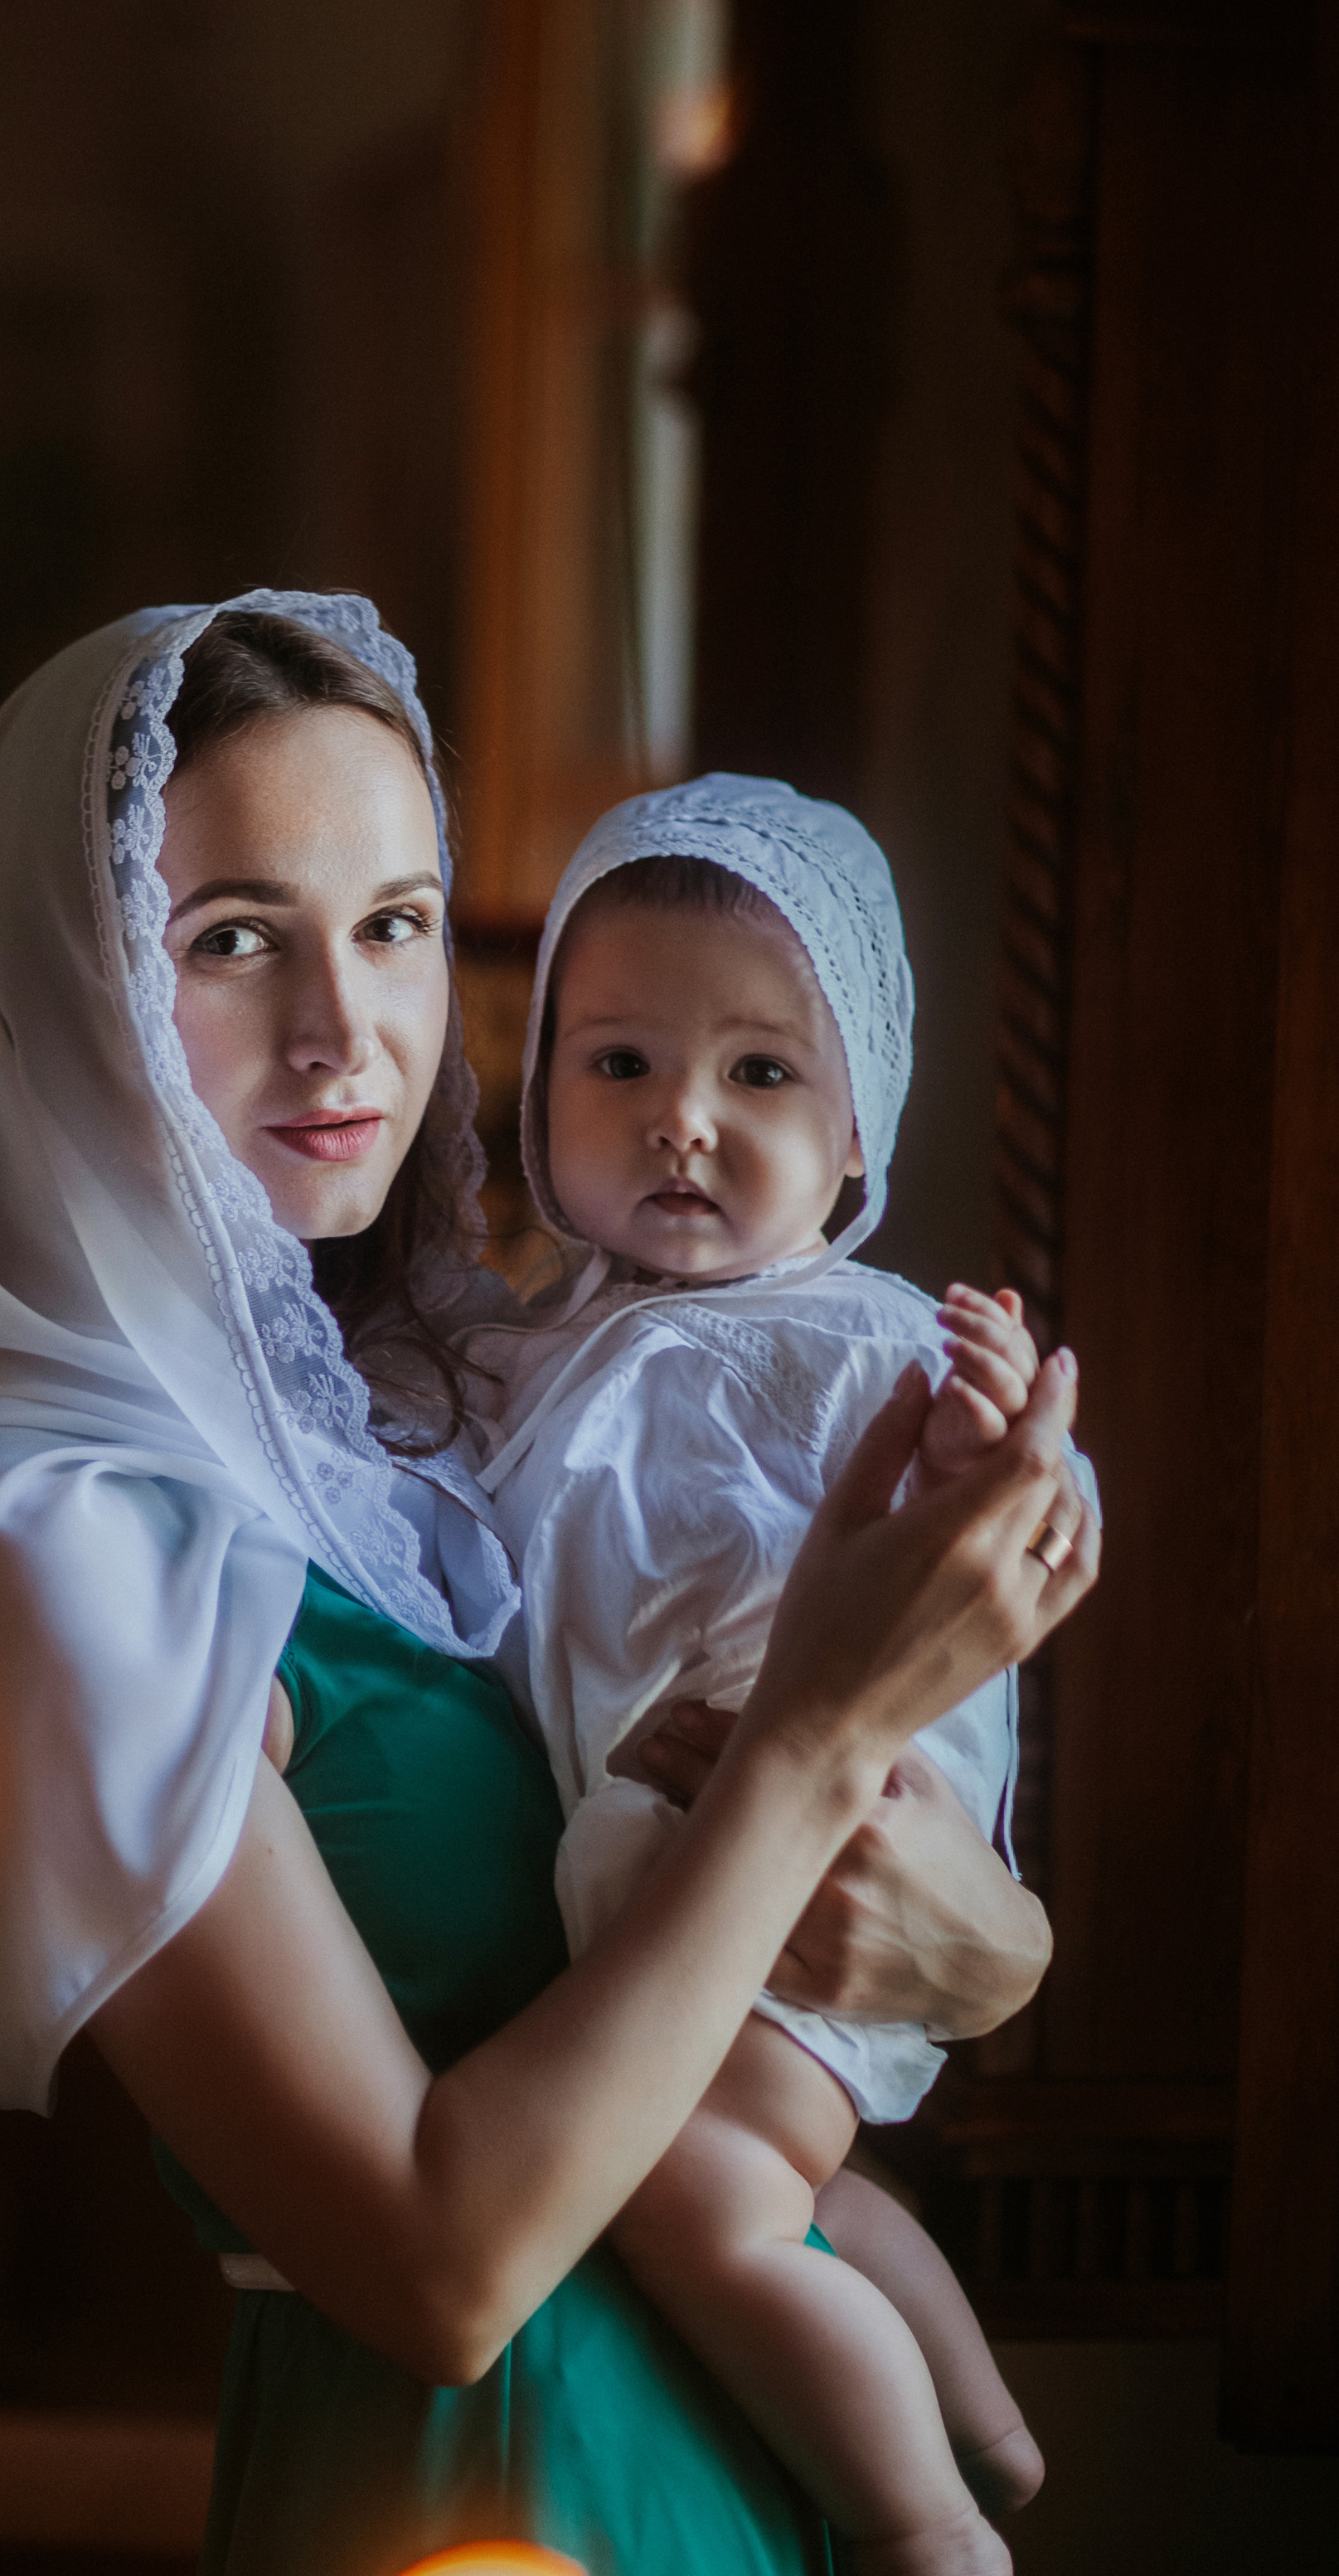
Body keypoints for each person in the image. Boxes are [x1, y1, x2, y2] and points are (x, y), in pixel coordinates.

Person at [0, 597, 1097, 2576]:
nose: (346, 1032)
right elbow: (437, 2269)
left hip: (727, 2463)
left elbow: (832, 1905)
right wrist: (814, 1737)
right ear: (62, 982)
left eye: (395, 922)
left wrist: (989, 1946)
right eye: (233, 938)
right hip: (472, 2490)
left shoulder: (419, 1421)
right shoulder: (48, 1535)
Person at [473, 779, 1092, 2573]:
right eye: (614, 1064)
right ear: (536, 1099)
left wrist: (985, 1446)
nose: (678, 1120)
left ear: (848, 1142)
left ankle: (919, 2523)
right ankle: (976, 2418)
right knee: (793, 2186)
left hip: (827, 1866)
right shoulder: (526, 1353)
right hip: (675, 1877)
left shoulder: (860, 1340)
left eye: (755, 1075)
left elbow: (1034, 1525)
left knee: (697, 2188)